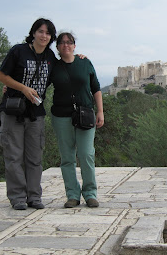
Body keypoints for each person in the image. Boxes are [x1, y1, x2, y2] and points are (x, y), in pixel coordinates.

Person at [0, 18, 57, 210]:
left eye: (47, 33)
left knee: (34, 157)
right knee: (13, 156)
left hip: (36, 114)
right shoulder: (18, 51)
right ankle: (17, 198)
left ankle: (34, 196)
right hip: (13, 110)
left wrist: (79, 57)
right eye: (40, 31)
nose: (44, 36)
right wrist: (23, 88)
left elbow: (63, 71)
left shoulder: (50, 57)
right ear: (33, 33)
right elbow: (1, 76)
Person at [50, 32, 104, 208]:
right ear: (57, 47)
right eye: (62, 43)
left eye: (69, 42)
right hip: (61, 116)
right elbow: (40, 83)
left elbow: (96, 88)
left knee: (87, 154)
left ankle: (90, 193)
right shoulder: (53, 67)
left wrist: (100, 111)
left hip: (85, 114)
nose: (66, 45)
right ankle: (72, 195)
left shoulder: (85, 63)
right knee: (67, 157)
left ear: (74, 46)